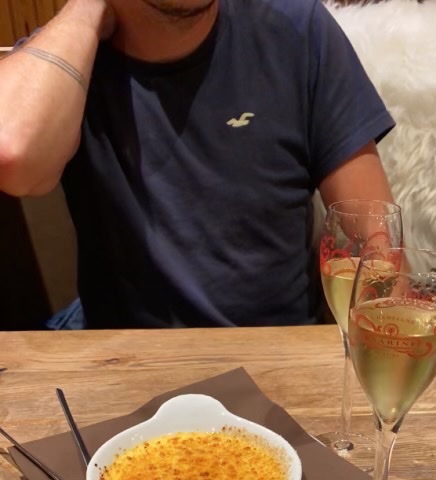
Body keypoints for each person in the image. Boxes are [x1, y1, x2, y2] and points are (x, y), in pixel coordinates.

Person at [0, 0, 396, 328]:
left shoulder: (298, 28)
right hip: (129, 360)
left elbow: (378, 248)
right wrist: (86, 9)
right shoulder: (72, 54)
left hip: (275, 354)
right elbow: (11, 154)